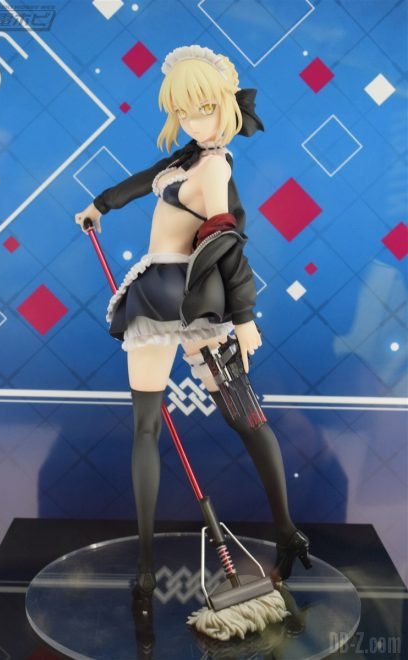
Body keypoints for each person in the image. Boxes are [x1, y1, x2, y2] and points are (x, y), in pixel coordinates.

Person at [75, 45, 311, 598]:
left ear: (226, 106)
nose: (194, 121)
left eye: (204, 109)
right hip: (163, 296)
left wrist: (245, 317)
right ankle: (148, 563)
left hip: (185, 300)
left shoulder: (214, 168)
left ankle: (283, 531)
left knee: (240, 417)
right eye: (183, 111)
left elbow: (228, 242)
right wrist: (101, 205)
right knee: (159, 426)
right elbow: (148, 178)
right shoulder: (186, 159)